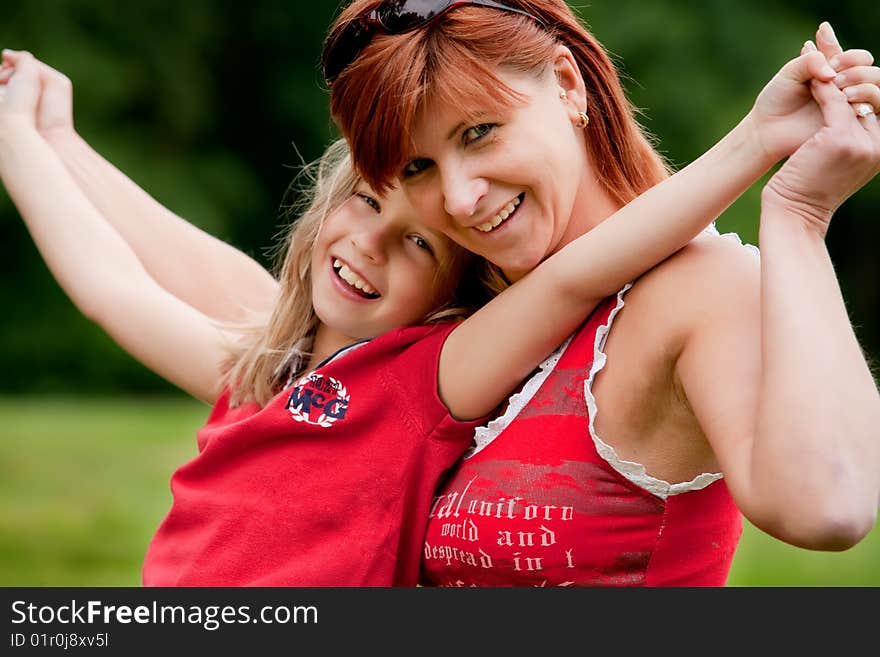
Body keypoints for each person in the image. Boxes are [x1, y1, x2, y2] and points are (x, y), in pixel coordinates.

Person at [0, 46, 793, 586]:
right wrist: (40, 135)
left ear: (449, 293)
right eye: (365, 203)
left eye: (418, 243)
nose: (372, 244)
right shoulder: (262, 377)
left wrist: (755, 144)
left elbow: (576, 277)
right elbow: (113, 284)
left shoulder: (427, 380)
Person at [319, 1, 880, 586]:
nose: (459, 198)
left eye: (479, 133)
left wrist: (800, 216)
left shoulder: (696, 290)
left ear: (567, 86)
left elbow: (827, 506)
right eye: (417, 168)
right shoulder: (455, 307)